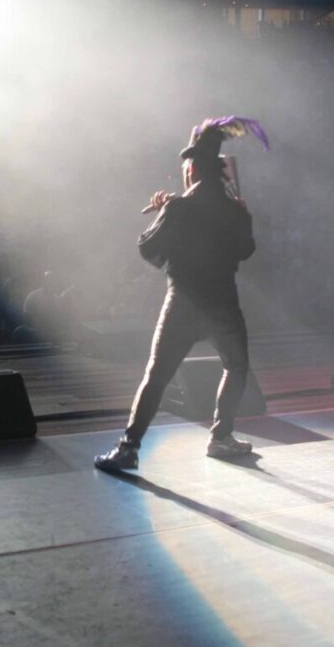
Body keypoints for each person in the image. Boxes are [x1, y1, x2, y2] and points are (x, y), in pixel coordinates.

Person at [95, 120, 260, 471]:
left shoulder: (180, 207)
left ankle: (128, 448)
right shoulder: (233, 209)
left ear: (193, 168)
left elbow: (149, 249)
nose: (183, 173)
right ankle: (221, 437)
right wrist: (245, 217)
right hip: (223, 305)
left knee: (156, 376)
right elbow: (246, 250)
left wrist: (163, 216)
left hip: (183, 302)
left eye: (185, 168)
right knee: (236, 368)